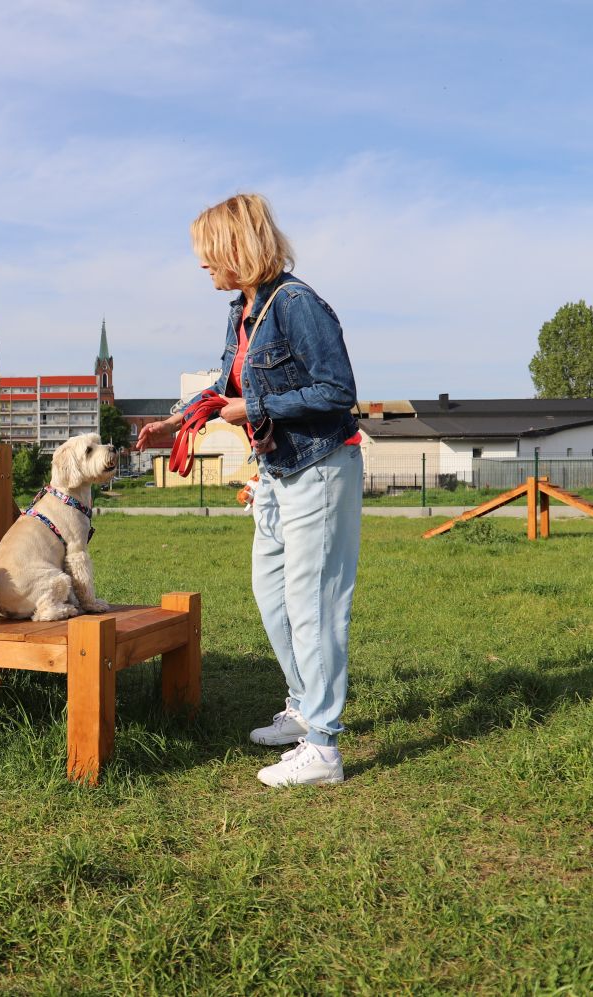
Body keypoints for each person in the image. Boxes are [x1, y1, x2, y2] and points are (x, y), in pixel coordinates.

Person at [135, 192, 362, 786]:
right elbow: (221, 382)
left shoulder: (296, 304)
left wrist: (253, 406)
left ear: (238, 246)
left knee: (314, 605)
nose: (202, 265)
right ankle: (300, 706)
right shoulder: (245, 310)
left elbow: (338, 392)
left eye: (208, 253)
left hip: (319, 466)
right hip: (277, 472)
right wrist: (173, 420)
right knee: (273, 597)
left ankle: (323, 746)